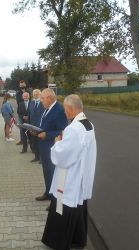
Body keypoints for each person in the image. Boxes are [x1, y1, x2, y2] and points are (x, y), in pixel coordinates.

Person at [41, 94, 97, 250]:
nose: (65, 113)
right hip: (82, 173)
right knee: (78, 205)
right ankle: (77, 239)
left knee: (64, 204)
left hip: (71, 177)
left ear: (71, 109)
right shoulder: (88, 124)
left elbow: (64, 156)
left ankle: (58, 242)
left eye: (65, 109)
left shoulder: (74, 128)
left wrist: (57, 143)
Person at [36, 88, 68, 201]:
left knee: (53, 173)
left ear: (50, 98)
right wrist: (35, 130)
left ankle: (55, 200)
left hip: (52, 147)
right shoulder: (47, 108)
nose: (41, 101)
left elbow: (63, 131)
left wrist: (47, 135)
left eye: (42, 98)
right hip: (44, 147)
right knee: (46, 171)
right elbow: (44, 124)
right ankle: (48, 193)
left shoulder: (59, 110)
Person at [28, 89, 45, 162]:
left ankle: (42, 158)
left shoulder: (43, 103)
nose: (35, 95)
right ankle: (36, 157)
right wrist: (29, 126)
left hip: (41, 127)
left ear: (40, 95)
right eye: (34, 94)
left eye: (37, 94)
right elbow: (29, 115)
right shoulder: (31, 103)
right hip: (32, 127)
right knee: (34, 143)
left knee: (41, 143)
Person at [15, 80, 31, 145]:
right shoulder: (18, 93)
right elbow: (19, 103)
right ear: (19, 86)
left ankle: (30, 140)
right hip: (21, 113)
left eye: (23, 85)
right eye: (21, 85)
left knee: (29, 128)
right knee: (22, 128)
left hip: (29, 113)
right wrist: (23, 116)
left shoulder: (29, 92)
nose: (22, 86)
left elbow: (31, 102)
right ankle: (22, 140)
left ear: (25, 85)